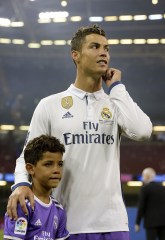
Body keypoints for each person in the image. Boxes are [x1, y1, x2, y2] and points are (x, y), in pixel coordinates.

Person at [7, 25, 152, 240]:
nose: (104, 52)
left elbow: (143, 131)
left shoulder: (116, 103)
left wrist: (118, 88)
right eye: (95, 46)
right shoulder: (50, 105)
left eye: (107, 48)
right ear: (75, 55)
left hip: (113, 223)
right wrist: (20, 185)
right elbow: (26, 156)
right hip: (67, 224)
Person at [4, 135, 69, 240]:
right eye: (48, 164)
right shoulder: (22, 205)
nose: (57, 170)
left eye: (60, 164)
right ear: (30, 169)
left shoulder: (59, 210)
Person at [135, 167, 165, 240]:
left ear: (146, 176)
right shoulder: (163, 188)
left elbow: (141, 206)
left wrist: (137, 223)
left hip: (151, 223)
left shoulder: (145, 189)